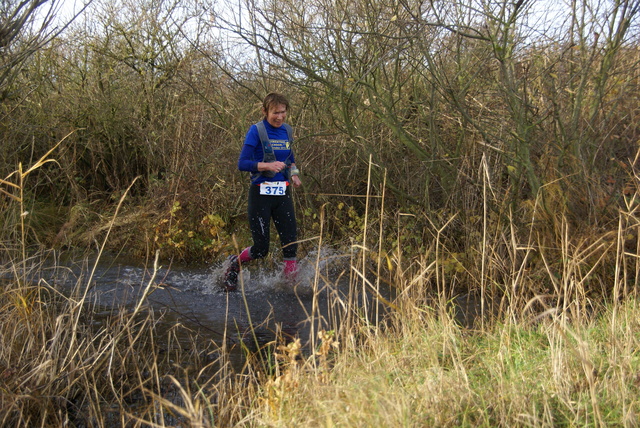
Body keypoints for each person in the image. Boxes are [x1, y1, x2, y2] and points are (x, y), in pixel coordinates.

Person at [224, 93, 302, 291]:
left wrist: (294, 174)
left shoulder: (287, 131)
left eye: (283, 112)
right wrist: (266, 165)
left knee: (290, 244)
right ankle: (235, 264)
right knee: (261, 249)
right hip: (261, 195)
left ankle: (289, 287)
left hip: (282, 194)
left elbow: (290, 159)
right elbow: (242, 163)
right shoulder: (256, 131)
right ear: (265, 112)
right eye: (275, 113)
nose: (280, 117)